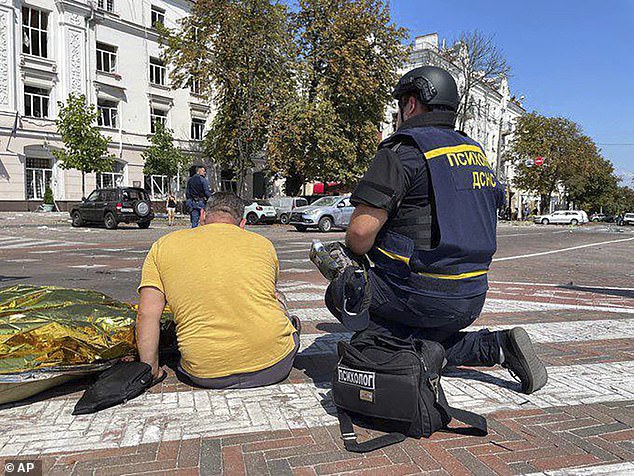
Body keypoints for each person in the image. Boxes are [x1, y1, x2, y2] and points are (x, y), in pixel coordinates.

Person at [323, 66, 547, 394]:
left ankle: (471, 349)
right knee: (418, 327)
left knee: (344, 292)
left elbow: (359, 233)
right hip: (472, 294)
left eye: (400, 106)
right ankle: (499, 346)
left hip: (423, 292)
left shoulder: (403, 151)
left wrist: (353, 261)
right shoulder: (476, 153)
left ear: (412, 104)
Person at [136, 192, 300, 388]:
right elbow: (269, 293)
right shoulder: (263, 244)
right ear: (242, 224)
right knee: (278, 298)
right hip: (275, 365)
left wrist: (151, 369)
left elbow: (146, 314)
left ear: (203, 216)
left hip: (204, 372)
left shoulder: (163, 246)